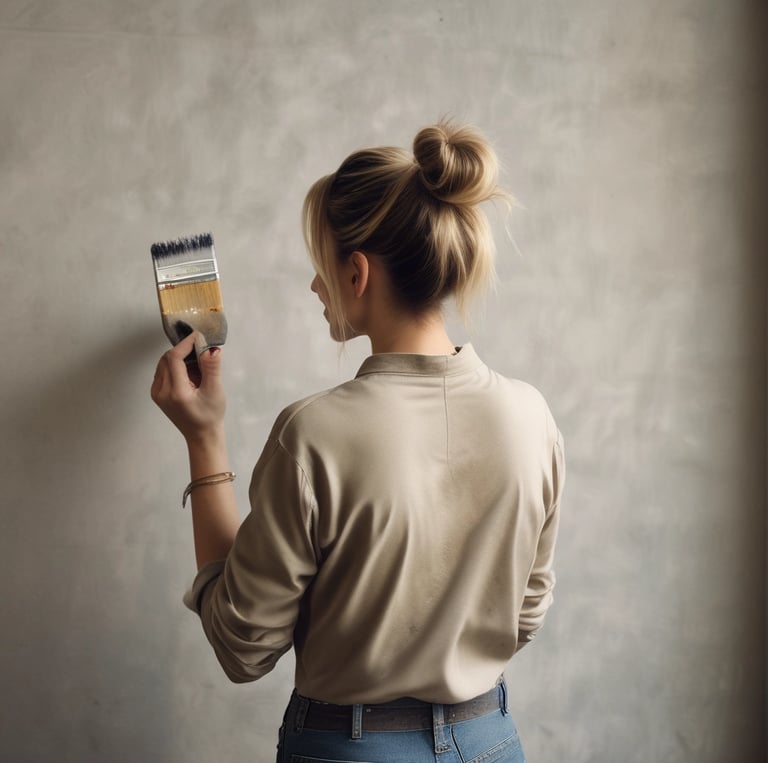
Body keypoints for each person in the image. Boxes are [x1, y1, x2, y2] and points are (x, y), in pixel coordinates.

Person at [151, 122, 565, 762]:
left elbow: (242, 645)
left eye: (321, 267)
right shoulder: (532, 417)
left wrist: (204, 439)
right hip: (492, 742)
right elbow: (525, 615)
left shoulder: (313, 434)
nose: (316, 287)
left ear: (356, 273)